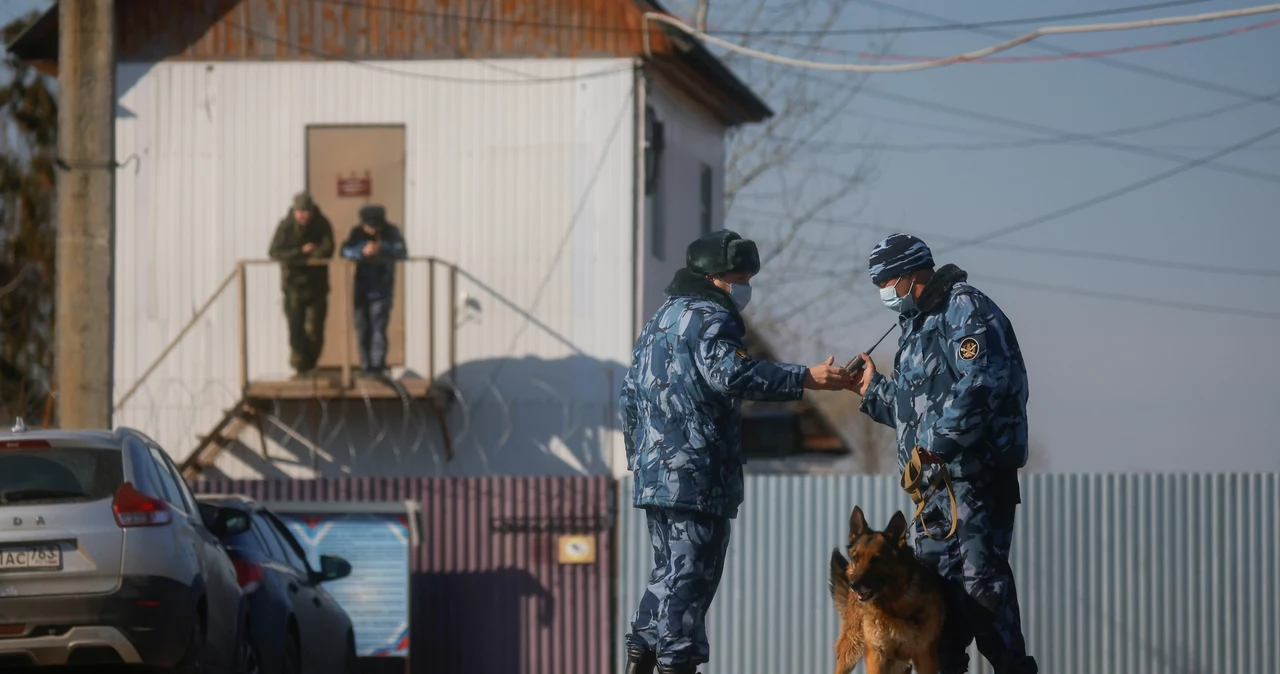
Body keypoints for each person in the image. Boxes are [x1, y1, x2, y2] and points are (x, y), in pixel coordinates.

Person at [619, 229, 854, 674]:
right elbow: (731, 375)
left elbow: (629, 397)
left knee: (666, 576)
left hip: (656, 477)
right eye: (741, 277)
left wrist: (641, 462)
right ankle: (676, 665)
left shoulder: (660, 320)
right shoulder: (712, 316)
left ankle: (640, 662)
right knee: (690, 582)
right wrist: (805, 376)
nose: (746, 287)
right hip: (696, 478)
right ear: (716, 277)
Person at [847, 233, 1038, 674]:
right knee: (936, 606)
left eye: (887, 280)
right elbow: (914, 411)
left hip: (973, 480)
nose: (883, 291)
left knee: (982, 590)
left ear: (914, 273)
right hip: (932, 492)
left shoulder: (964, 308)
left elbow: (982, 385)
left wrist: (936, 445)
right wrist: (872, 389)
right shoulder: (914, 325)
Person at [268, 192, 335, 377]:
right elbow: (275, 252)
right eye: (300, 212)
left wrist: (312, 255)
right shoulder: (286, 227)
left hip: (317, 286)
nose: (303, 216)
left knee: (315, 330)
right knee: (295, 329)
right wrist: (300, 252)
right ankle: (299, 367)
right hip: (293, 287)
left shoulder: (321, 225)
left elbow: (328, 249)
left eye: (306, 212)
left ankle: (310, 364)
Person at [340, 204, 407, 377]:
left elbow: (401, 251)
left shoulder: (392, 232)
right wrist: (361, 251)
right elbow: (344, 250)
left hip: (382, 288)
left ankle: (377, 366)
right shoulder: (357, 233)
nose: (370, 230)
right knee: (362, 327)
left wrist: (382, 248)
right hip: (362, 287)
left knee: (379, 326)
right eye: (367, 226)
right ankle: (366, 365)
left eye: (374, 226)